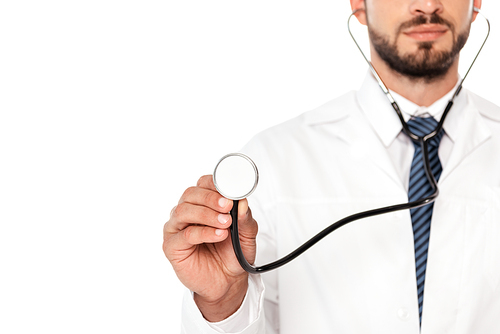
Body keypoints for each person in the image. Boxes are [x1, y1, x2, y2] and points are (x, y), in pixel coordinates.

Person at [163, 0, 500, 332]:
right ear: (359, 5)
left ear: (476, 3)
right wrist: (222, 303)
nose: (427, 4)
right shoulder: (274, 160)